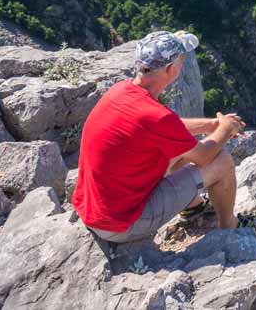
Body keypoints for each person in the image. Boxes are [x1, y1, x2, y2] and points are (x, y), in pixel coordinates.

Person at [72, 30, 245, 243]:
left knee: (175, 150)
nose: (183, 65)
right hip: (121, 225)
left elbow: (167, 131)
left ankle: (193, 207)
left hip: (95, 211)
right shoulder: (156, 117)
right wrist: (226, 129)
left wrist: (212, 125)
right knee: (222, 160)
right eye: (182, 60)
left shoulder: (121, 91)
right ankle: (231, 228)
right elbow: (204, 156)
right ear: (170, 69)